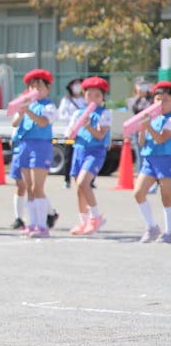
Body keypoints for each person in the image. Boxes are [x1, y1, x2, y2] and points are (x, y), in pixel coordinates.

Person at [12, 69, 57, 238]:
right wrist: (21, 110)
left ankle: (42, 225)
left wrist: (28, 109)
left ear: (47, 87)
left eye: (39, 85)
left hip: (41, 146)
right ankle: (32, 223)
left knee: (38, 187)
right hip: (25, 145)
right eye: (32, 86)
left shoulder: (48, 106)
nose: (35, 89)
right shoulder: (27, 104)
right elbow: (15, 123)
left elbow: (43, 122)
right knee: (29, 187)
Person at [67, 77, 111, 236]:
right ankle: (83, 221)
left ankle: (96, 217)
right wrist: (73, 129)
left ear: (103, 97)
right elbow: (70, 133)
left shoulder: (104, 113)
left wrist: (87, 125)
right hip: (79, 149)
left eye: (97, 95)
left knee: (83, 182)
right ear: (84, 96)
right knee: (79, 188)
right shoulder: (78, 113)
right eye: (89, 95)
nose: (93, 99)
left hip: (95, 151)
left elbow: (100, 135)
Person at [132, 80, 171, 243]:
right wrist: (142, 127)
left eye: (166, 100)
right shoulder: (151, 118)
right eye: (158, 100)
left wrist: (147, 126)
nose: (161, 103)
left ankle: (169, 231)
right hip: (150, 159)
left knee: (166, 195)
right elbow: (141, 142)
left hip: (166, 158)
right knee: (139, 192)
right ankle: (152, 226)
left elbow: (161, 138)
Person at [58, 78, 86, 188]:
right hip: (70, 132)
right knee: (68, 156)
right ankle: (67, 179)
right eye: (75, 85)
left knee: (83, 156)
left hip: (83, 133)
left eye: (79, 85)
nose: (77, 87)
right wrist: (74, 118)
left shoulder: (85, 100)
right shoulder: (66, 100)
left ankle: (87, 180)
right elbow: (61, 115)